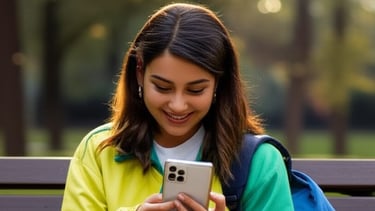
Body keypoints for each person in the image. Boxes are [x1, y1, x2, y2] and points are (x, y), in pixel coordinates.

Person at [61, 2, 294, 211]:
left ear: (218, 83)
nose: (178, 106)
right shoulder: (99, 151)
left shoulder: (260, 162)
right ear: (140, 72)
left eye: (195, 90)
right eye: (162, 87)